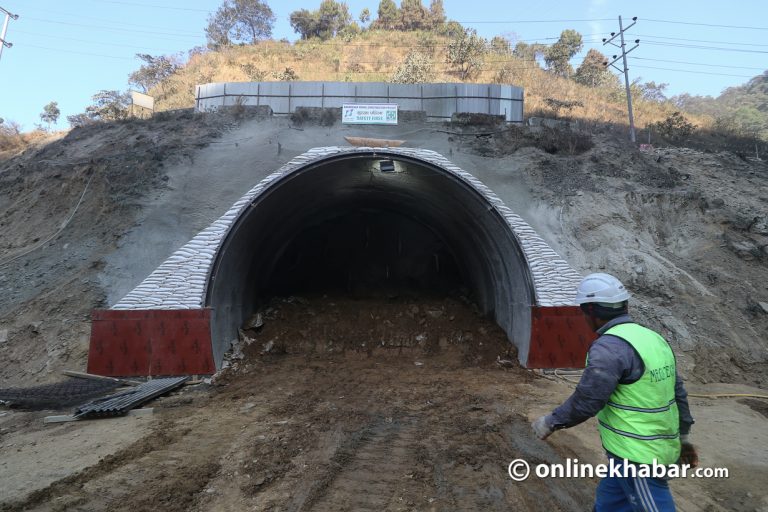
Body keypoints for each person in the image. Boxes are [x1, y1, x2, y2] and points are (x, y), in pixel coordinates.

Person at [531, 272, 698, 512]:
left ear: (590, 310)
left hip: (638, 456)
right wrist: (683, 436)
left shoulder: (609, 348)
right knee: (610, 503)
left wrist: (551, 422)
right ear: (625, 305)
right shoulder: (652, 339)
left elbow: (587, 401)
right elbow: (678, 392)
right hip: (647, 448)